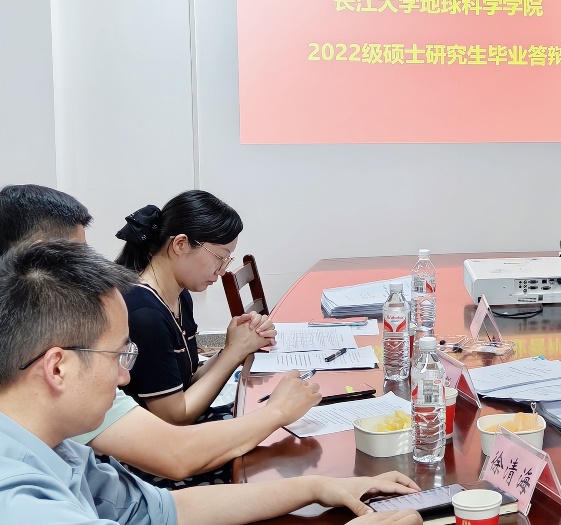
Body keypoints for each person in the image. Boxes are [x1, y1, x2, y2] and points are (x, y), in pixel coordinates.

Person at [0, 239, 420, 524]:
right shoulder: (20, 503)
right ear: (58, 368)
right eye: (119, 355)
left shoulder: (61, 449)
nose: (126, 376)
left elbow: (169, 510)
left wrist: (319, 486)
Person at [0, 183, 321, 484]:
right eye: (78, 256)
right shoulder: (123, 323)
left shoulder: (172, 297)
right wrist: (273, 406)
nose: (123, 376)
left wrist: (233, 351)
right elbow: (174, 445)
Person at [114, 190, 273, 428]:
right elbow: (175, 416)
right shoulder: (144, 313)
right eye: (220, 257)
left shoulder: (179, 295)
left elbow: (187, 381)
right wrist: (234, 353)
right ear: (180, 244)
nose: (221, 270)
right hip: (153, 443)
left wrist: (232, 347)